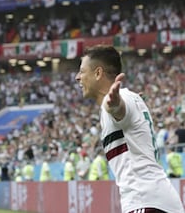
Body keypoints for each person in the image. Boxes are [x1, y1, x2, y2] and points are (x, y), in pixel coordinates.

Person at [75, 45, 184, 213]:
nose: (77, 77)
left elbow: (119, 111)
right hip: (160, 201)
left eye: (82, 71)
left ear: (97, 73)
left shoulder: (116, 100)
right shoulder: (131, 97)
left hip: (145, 202)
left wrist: (115, 105)